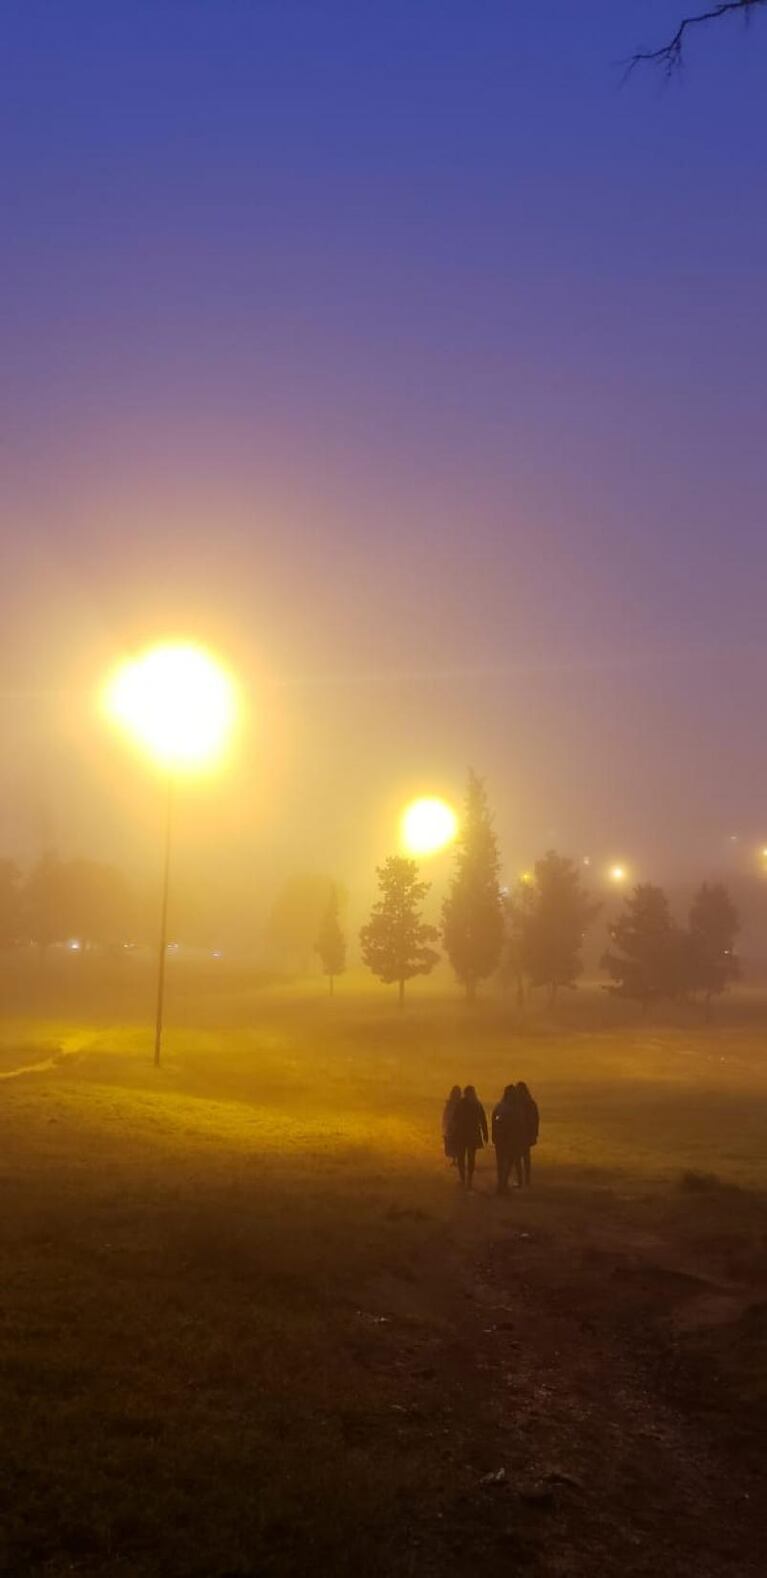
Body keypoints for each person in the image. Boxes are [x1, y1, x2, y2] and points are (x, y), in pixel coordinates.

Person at [451, 1085, 488, 1189]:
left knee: (461, 1157)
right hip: (472, 1135)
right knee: (471, 1158)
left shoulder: (461, 1104)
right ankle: (469, 1180)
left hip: (461, 1135)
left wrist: (452, 1132)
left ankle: (463, 1179)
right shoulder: (477, 1104)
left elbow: (454, 1119)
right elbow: (483, 1121)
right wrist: (485, 1135)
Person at [491, 1084, 524, 1195]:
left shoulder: (503, 1107)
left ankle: (502, 1184)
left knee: (507, 1163)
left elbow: (496, 1122)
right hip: (505, 1139)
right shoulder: (506, 1108)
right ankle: (502, 1185)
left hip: (509, 1140)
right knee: (504, 1163)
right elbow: (497, 1122)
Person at [516, 1081, 540, 1187]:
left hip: (520, 1134)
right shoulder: (530, 1102)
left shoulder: (518, 1103)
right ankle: (526, 1180)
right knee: (525, 1157)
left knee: (518, 1157)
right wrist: (534, 1134)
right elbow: (536, 1120)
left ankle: (521, 1180)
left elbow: (534, 1119)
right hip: (525, 1134)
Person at [442, 1085, 462, 1165]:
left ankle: (457, 1159)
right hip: (451, 1126)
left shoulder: (461, 1103)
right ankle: (454, 1159)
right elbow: (446, 1115)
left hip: (459, 1126)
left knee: (458, 1144)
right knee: (452, 1143)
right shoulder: (450, 1103)